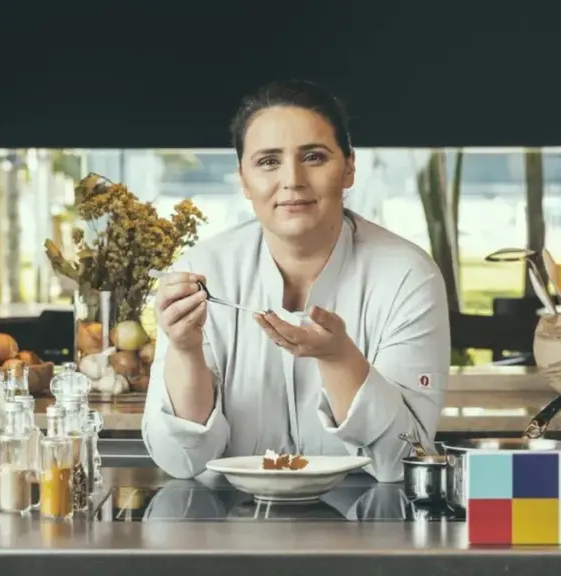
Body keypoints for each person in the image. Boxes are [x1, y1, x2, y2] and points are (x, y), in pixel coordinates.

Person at [141, 79, 450, 482]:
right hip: (227, 516)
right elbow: (182, 461)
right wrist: (185, 349)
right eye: (268, 161)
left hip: (367, 515)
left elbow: (402, 460)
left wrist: (339, 358)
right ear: (243, 179)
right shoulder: (203, 272)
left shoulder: (408, 277)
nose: (293, 179)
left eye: (314, 157)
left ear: (349, 168)